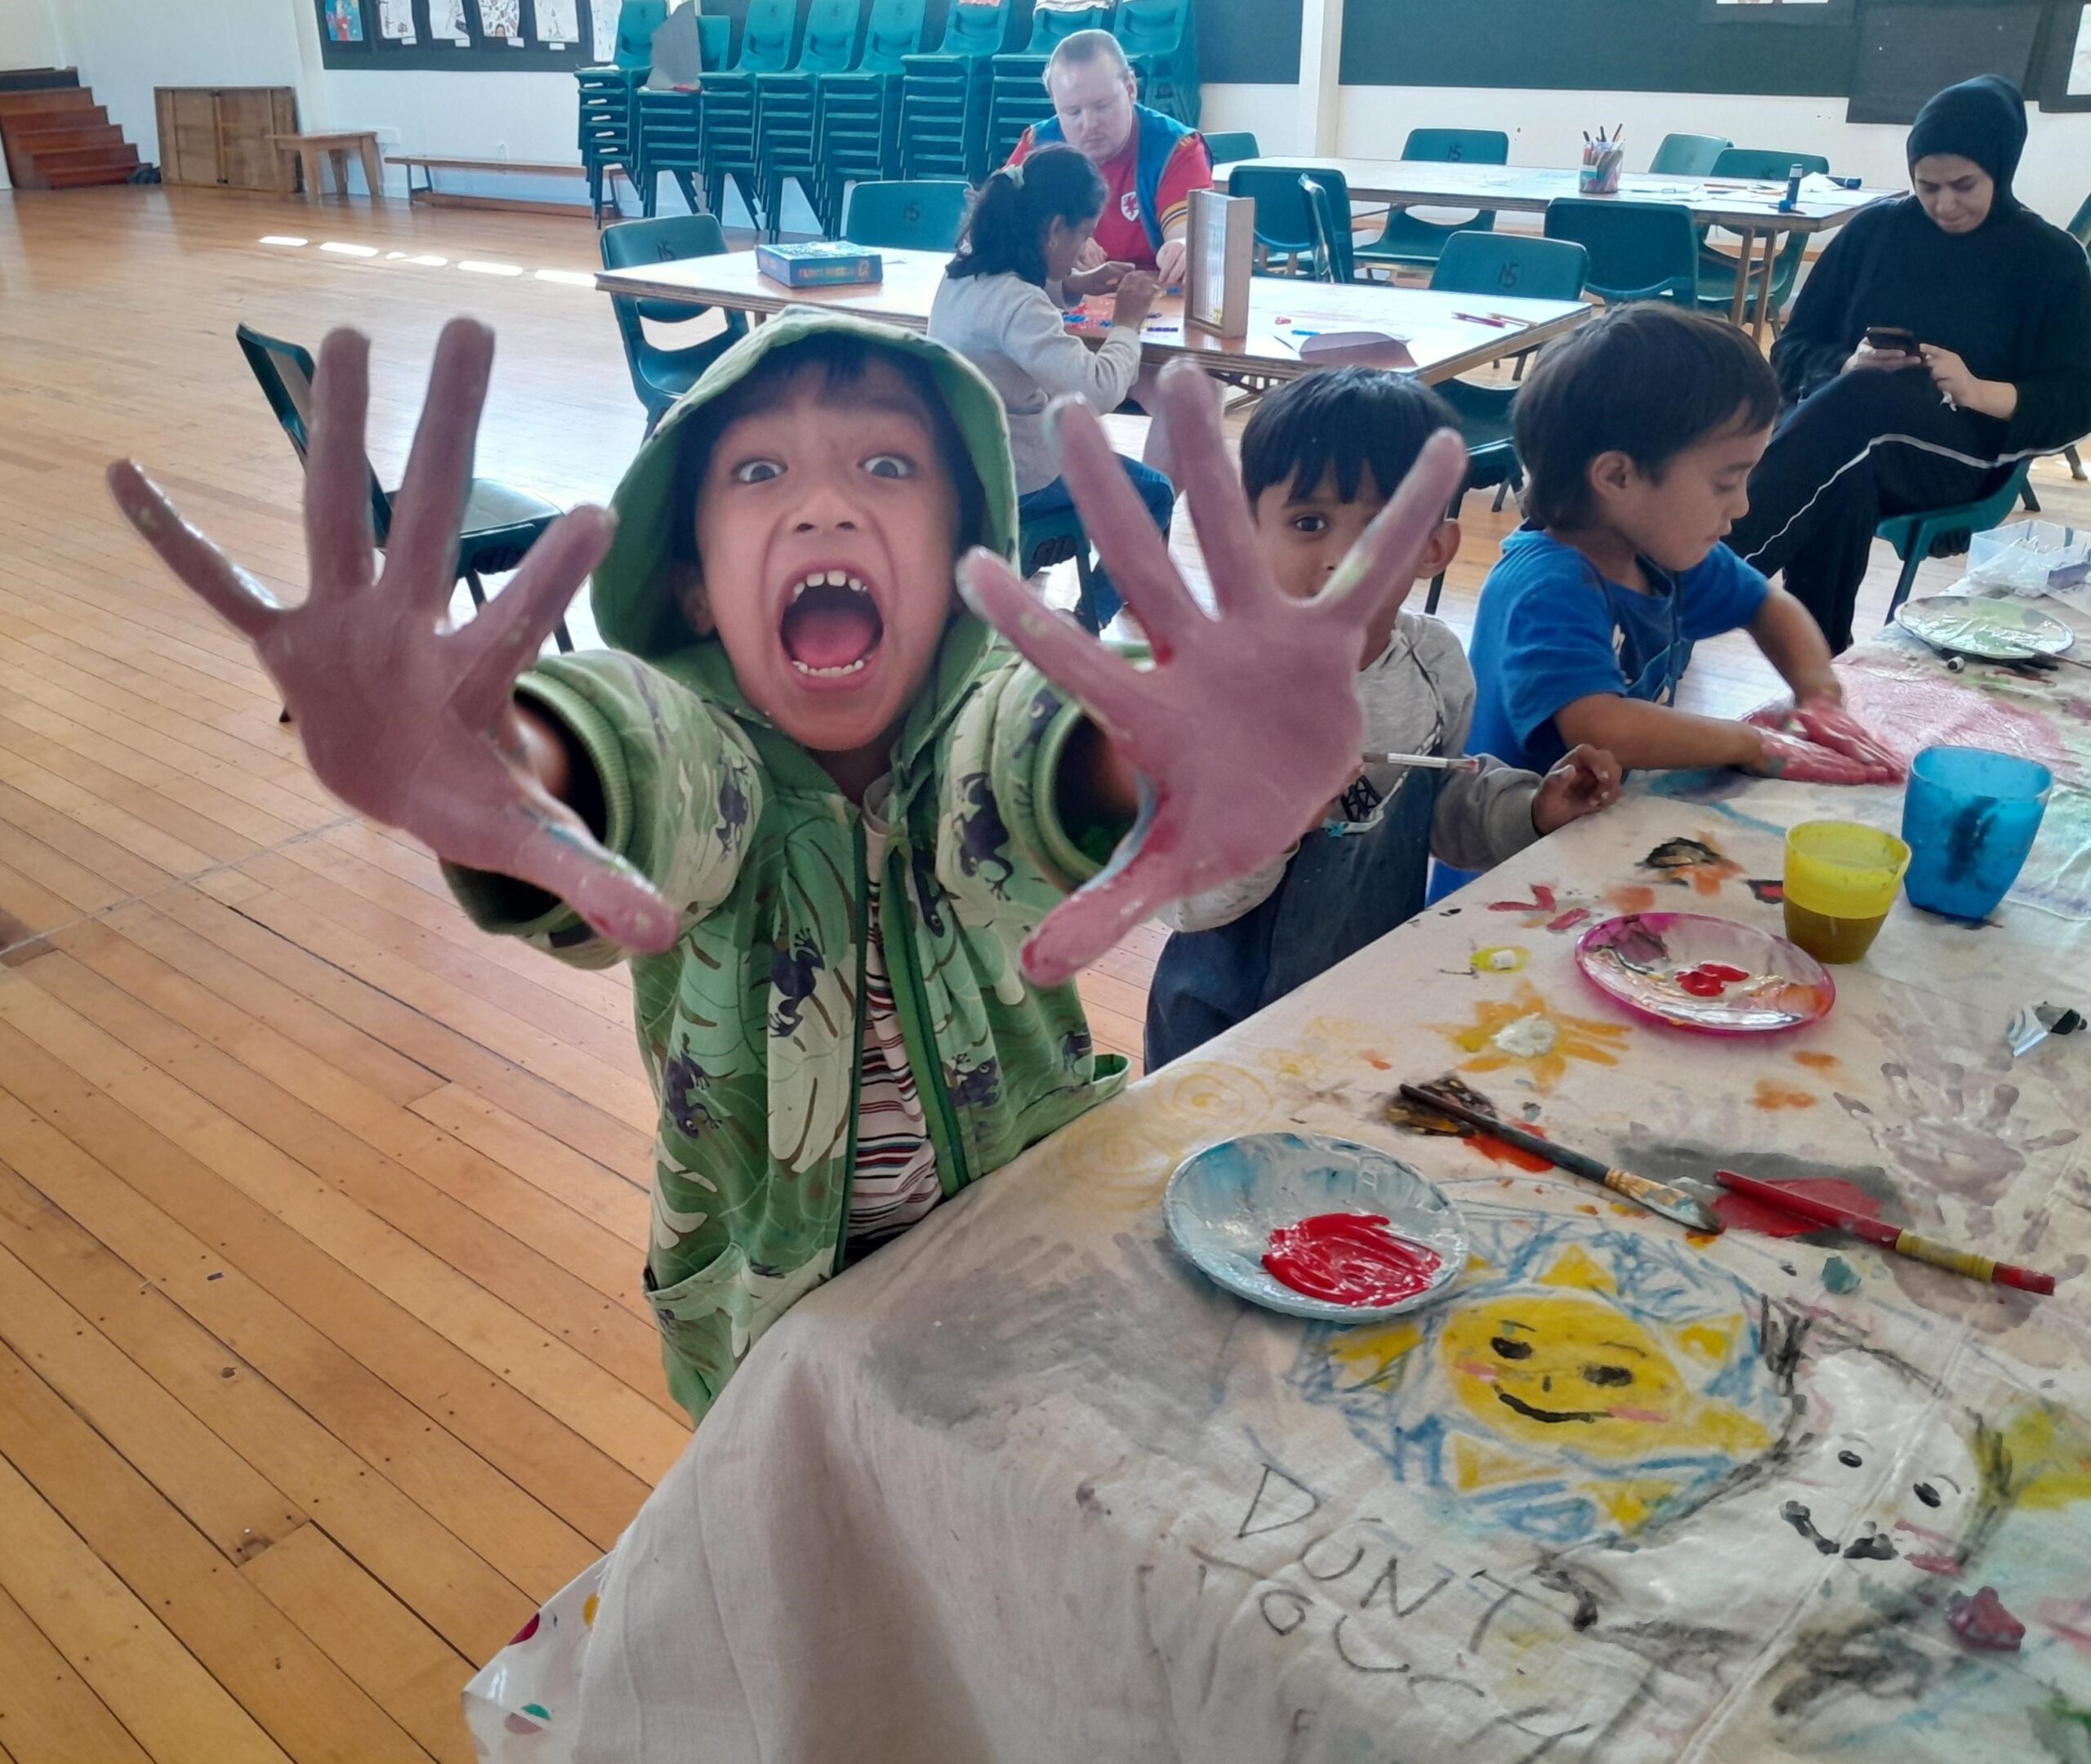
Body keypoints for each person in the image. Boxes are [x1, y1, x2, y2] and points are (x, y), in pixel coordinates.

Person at [109, 311, 1466, 1430]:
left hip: (1013, 1223)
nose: (825, 504)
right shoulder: (700, 738)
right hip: (773, 1286)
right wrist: (504, 756)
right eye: (760, 474)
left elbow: (1020, 776)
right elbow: (645, 774)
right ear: (695, 588)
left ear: (959, 566)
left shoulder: (989, 707)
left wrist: (1157, 758)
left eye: (885, 467)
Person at [1144, 370, 1623, 1070]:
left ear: (1434, 549)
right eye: (1309, 523)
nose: (1343, 559)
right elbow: (1180, 901)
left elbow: (1442, 804)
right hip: (1219, 1033)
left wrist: (1534, 809)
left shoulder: (1434, 664)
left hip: (1370, 1003)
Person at [1725, 75, 2091, 653]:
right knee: (1849, 461)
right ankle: (1823, 666)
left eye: (1964, 185)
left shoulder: (2050, 259)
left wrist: (1976, 390)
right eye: (1927, 186)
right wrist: (1848, 363)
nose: (1944, 204)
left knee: (1856, 414)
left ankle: (1698, 581)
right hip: (1847, 437)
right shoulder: (1874, 231)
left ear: (2001, 170)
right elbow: (1792, 349)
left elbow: (2078, 399)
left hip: (1967, 452)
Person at [1466, 304, 1903, 784]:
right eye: (1725, 483)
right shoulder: (1547, 587)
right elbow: (1603, 729)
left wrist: (1819, 697)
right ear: (1618, 477)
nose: (1743, 506)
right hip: (1510, 830)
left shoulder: (1654, 553)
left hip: (1603, 816)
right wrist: (1752, 743)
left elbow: (1769, 605)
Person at [930, 145, 1174, 633]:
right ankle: (1087, 620)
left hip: (964, 470)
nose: (1085, 245)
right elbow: (1097, 392)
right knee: (1155, 493)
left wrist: (1078, 282)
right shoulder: (1021, 304)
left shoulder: (965, 271)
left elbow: (1015, 304)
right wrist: (1127, 323)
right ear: (1055, 229)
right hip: (1020, 482)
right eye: (1083, 235)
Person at [1003, 28, 1211, 292]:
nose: (1089, 124)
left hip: (1149, 299)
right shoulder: (1038, 146)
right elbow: (994, 229)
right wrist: (1055, 240)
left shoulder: (1175, 149)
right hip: (1059, 299)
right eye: (1072, 112)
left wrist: (1183, 247)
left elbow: (1190, 235)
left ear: (1131, 89)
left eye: (1102, 106)